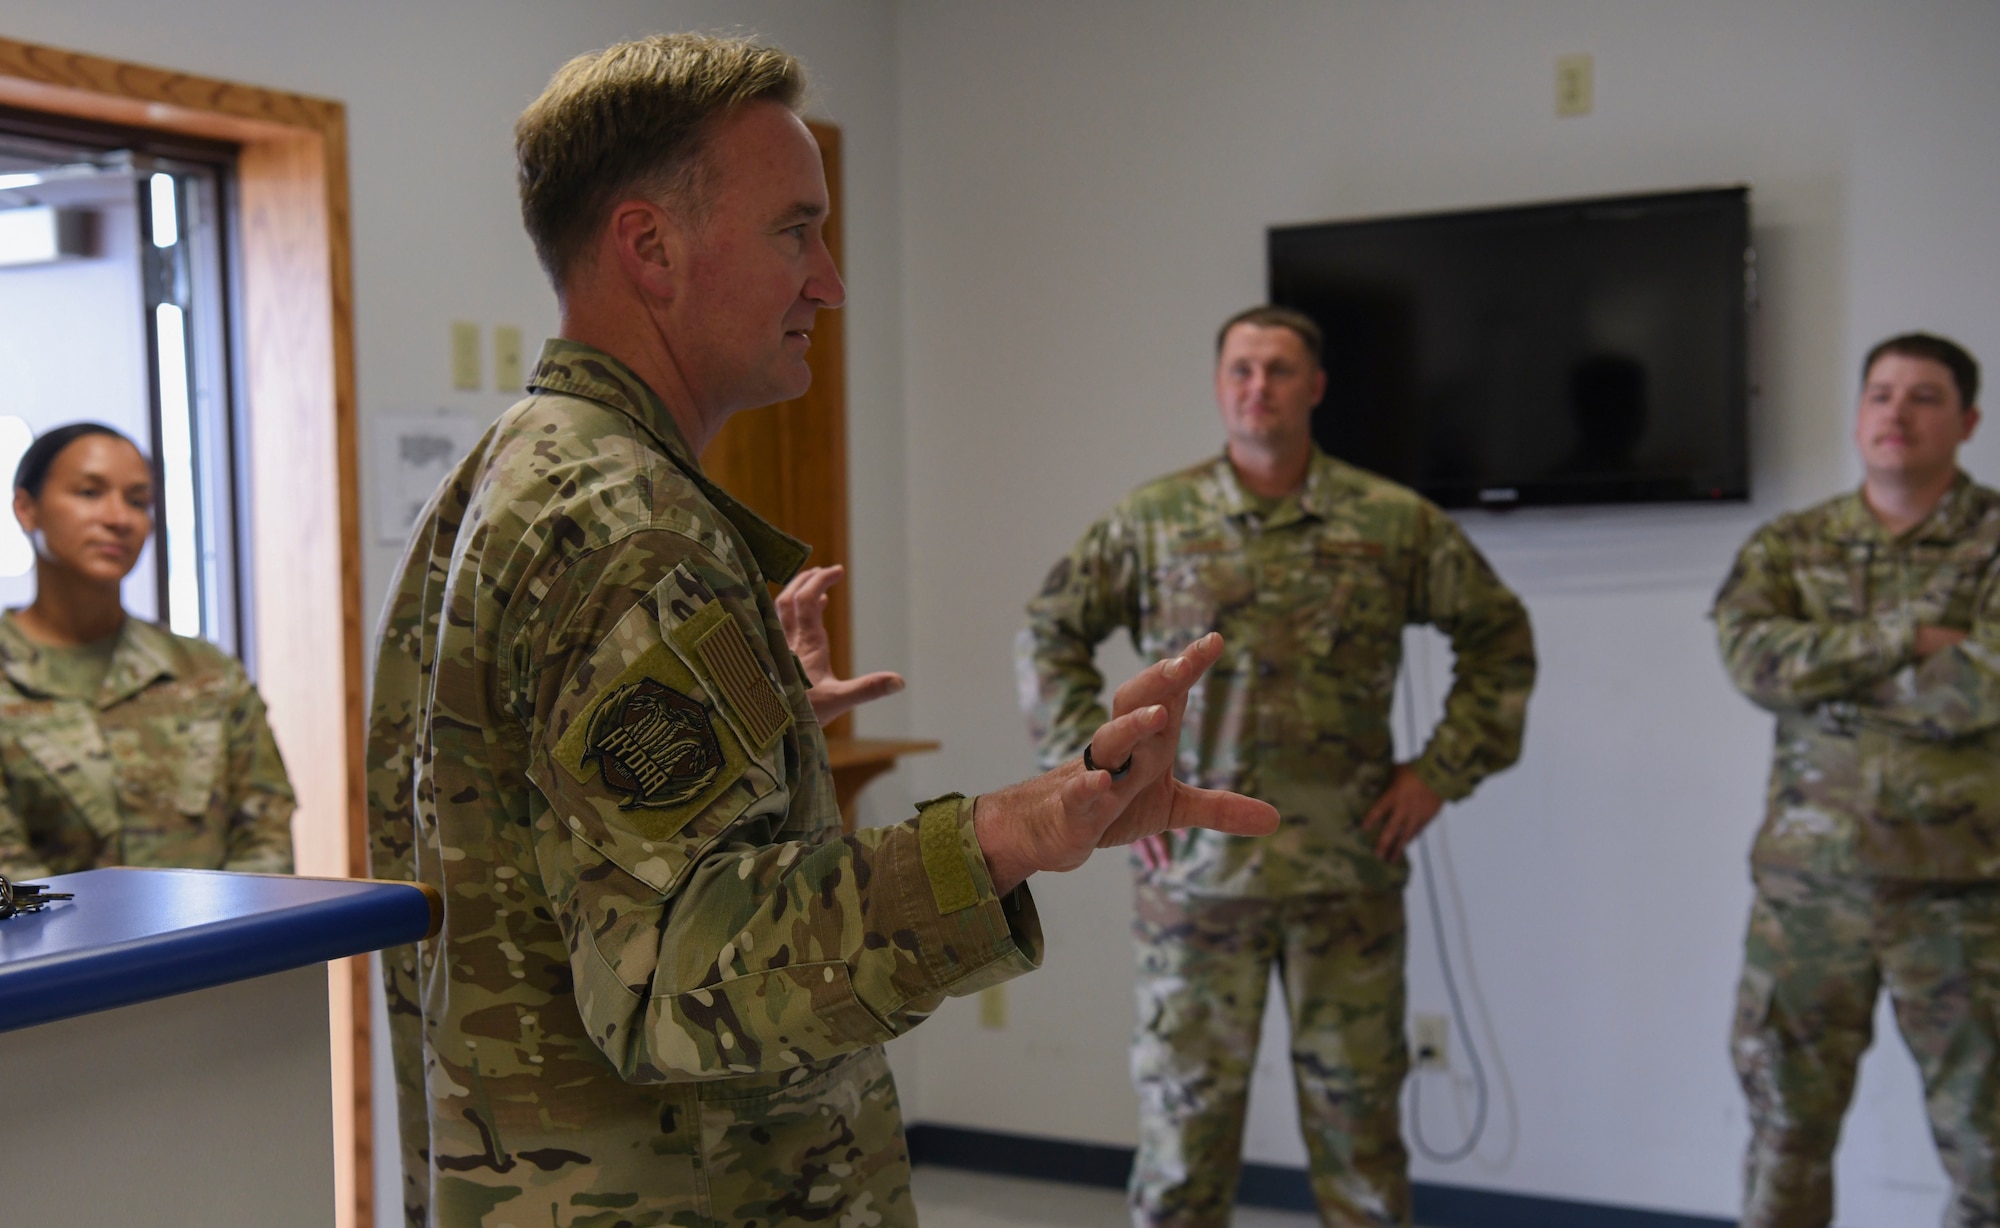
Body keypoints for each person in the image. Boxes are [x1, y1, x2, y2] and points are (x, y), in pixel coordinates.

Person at [365, 33, 1277, 1228]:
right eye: (794, 230)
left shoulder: (512, 471)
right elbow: (671, 980)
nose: (830, 280)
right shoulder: (627, 523)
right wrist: (1005, 835)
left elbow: (573, 856)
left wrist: (763, 728)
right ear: (650, 247)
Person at [1020, 305, 1536, 1227]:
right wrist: (1101, 788)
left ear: (1317, 387)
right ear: (1221, 387)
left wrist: (1439, 773)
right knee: (1183, 1148)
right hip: (1195, 884)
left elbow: (1499, 638)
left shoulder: (1390, 523)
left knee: (1363, 1149)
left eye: (1281, 370)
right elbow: (1049, 632)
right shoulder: (1155, 520)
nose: (1260, 387)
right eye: (1242, 370)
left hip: (1346, 878)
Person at [1713, 331, 2000, 1228]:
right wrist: (1905, 644)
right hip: (1809, 898)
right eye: (1880, 394)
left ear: (1968, 420)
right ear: (1857, 413)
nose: (1896, 415)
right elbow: (1754, 663)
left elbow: (1986, 687)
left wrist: (1831, 680)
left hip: (1961, 895)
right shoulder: (1792, 544)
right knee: (1784, 1139)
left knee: (1988, 1144)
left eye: (1923, 397)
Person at [0, 422, 293, 879]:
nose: (119, 518)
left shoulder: (207, 674)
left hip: (220, 944)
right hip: (48, 950)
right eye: (89, 492)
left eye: (138, 501)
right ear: (26, 508)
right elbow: (8, 876)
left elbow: (266, 835)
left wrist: (229, 941)